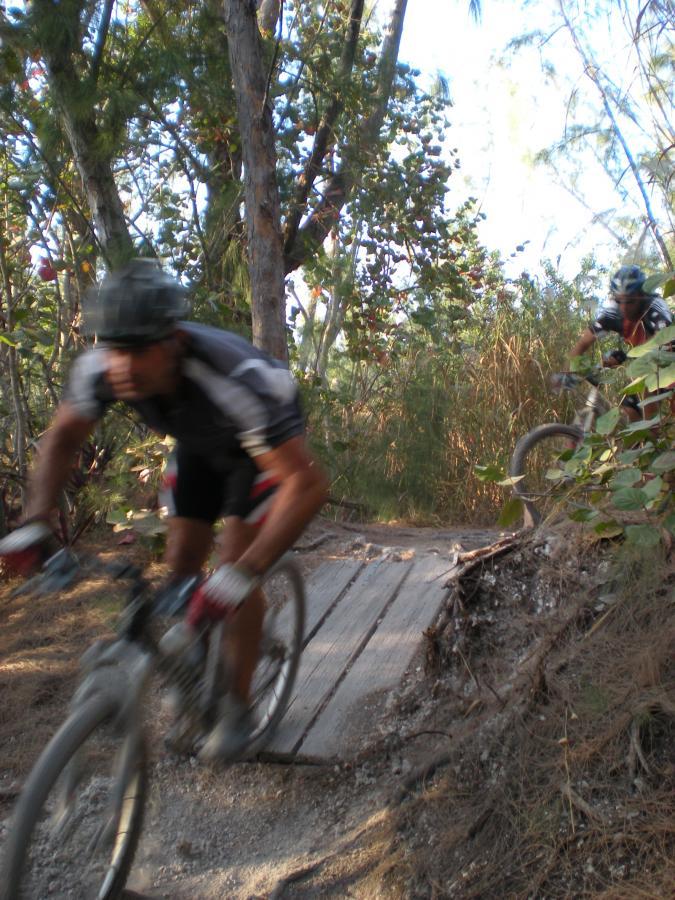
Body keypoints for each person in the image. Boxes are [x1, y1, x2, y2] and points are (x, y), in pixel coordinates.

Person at [0, 259, 328, 759]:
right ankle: (196, 663)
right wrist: (34, 523)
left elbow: (305, 485)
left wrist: (241, 575)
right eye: (115, 350)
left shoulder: (233, 380)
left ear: (173, 340)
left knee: (232, 567)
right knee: (180, 568)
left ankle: (238, 709)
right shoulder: (102, 367)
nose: (124, 367)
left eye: (139, 351)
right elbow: (63, 437)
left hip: (260, 451)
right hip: (199, 443)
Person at [568, 264, 673, 421]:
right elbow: (583, 343)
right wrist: (570, 371)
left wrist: (626, 356)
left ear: (641, 295)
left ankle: (653, 438)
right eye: (619, 300)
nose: (623, 307)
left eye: (629, 301)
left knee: (648, 385)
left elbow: (662, 341)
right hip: (648, 363)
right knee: (628, 415)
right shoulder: (613, 311)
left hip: (670, 359)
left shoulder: (655, 307)